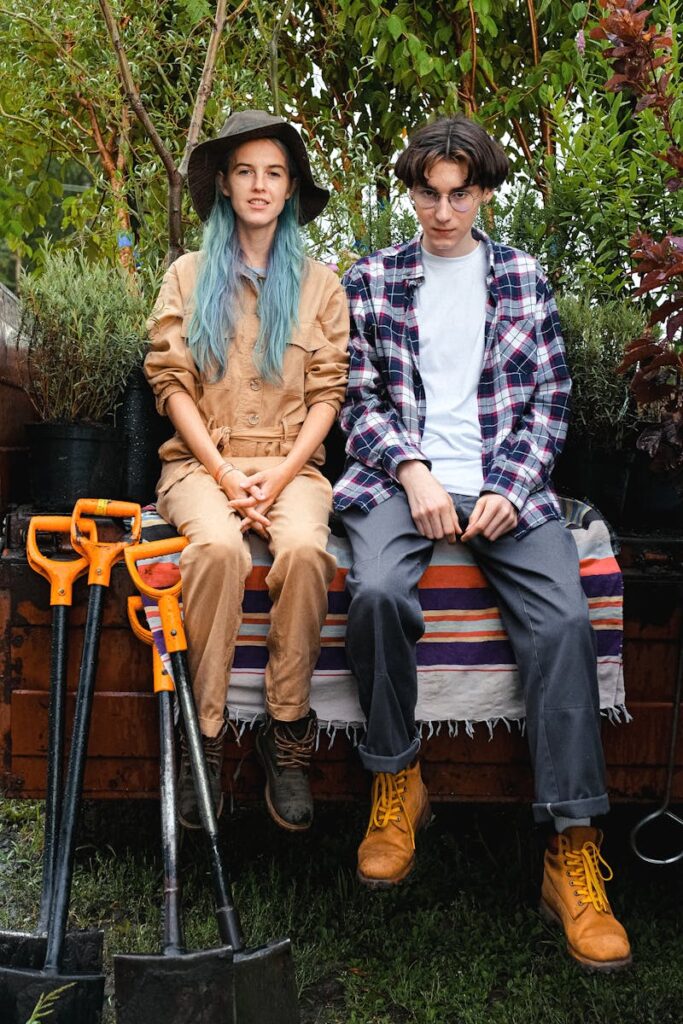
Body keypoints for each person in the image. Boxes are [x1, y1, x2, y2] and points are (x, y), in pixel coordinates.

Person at [333, 115, 631, 971]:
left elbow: (548, 401)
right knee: (380, 591)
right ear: (412, 191)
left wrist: (507, 485)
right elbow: (358, 401)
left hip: (511, 486)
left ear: (483, 193)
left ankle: (569, 848)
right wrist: (415, 471)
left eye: (459, 193)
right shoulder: (373, 279)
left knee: (564, 623)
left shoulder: (524, 279)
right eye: (427, 192)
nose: (442, 210)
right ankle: (397, 778)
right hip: (400, 482)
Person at [145, 110, 349, 832]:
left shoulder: (322, 285)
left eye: (273, 172)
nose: (258, 185)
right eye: (244, 171)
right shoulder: (188, 275)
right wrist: (228, 478)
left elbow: (328, 394)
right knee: (220, 550)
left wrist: (279, 473)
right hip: (202, 464)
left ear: (290, 189)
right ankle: (201, 737)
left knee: (300, 549)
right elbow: (170, 385)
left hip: (291, 466)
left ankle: (284, 733)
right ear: (225, 186)